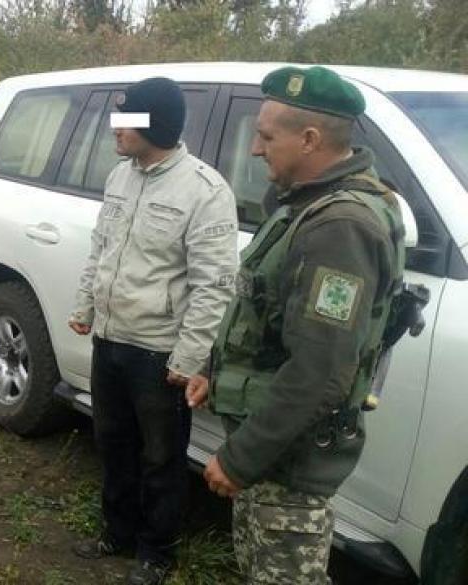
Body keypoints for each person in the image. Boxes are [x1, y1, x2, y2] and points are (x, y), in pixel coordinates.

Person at [186, 66, 406, 584]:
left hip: (288, 464)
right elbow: (266, 313)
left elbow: (320, 370)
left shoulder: (340, 227)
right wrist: (215, 371)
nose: (255, 149)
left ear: (309, 139)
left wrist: (240, 458)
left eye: (266, 137)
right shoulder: (307, 205)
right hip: (272, 454)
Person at [68, 77, 239, 585]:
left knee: (161, 457)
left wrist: (187, 359)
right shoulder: (119, 177)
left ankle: (156, 552)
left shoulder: (205, 191)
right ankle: (117, 532)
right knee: (112, 442)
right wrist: (85, 304)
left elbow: (214, 286)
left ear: (157, 125)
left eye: (128, 121)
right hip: (110, 340)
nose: (115, 129)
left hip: (158, 353)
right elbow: (100, 248)